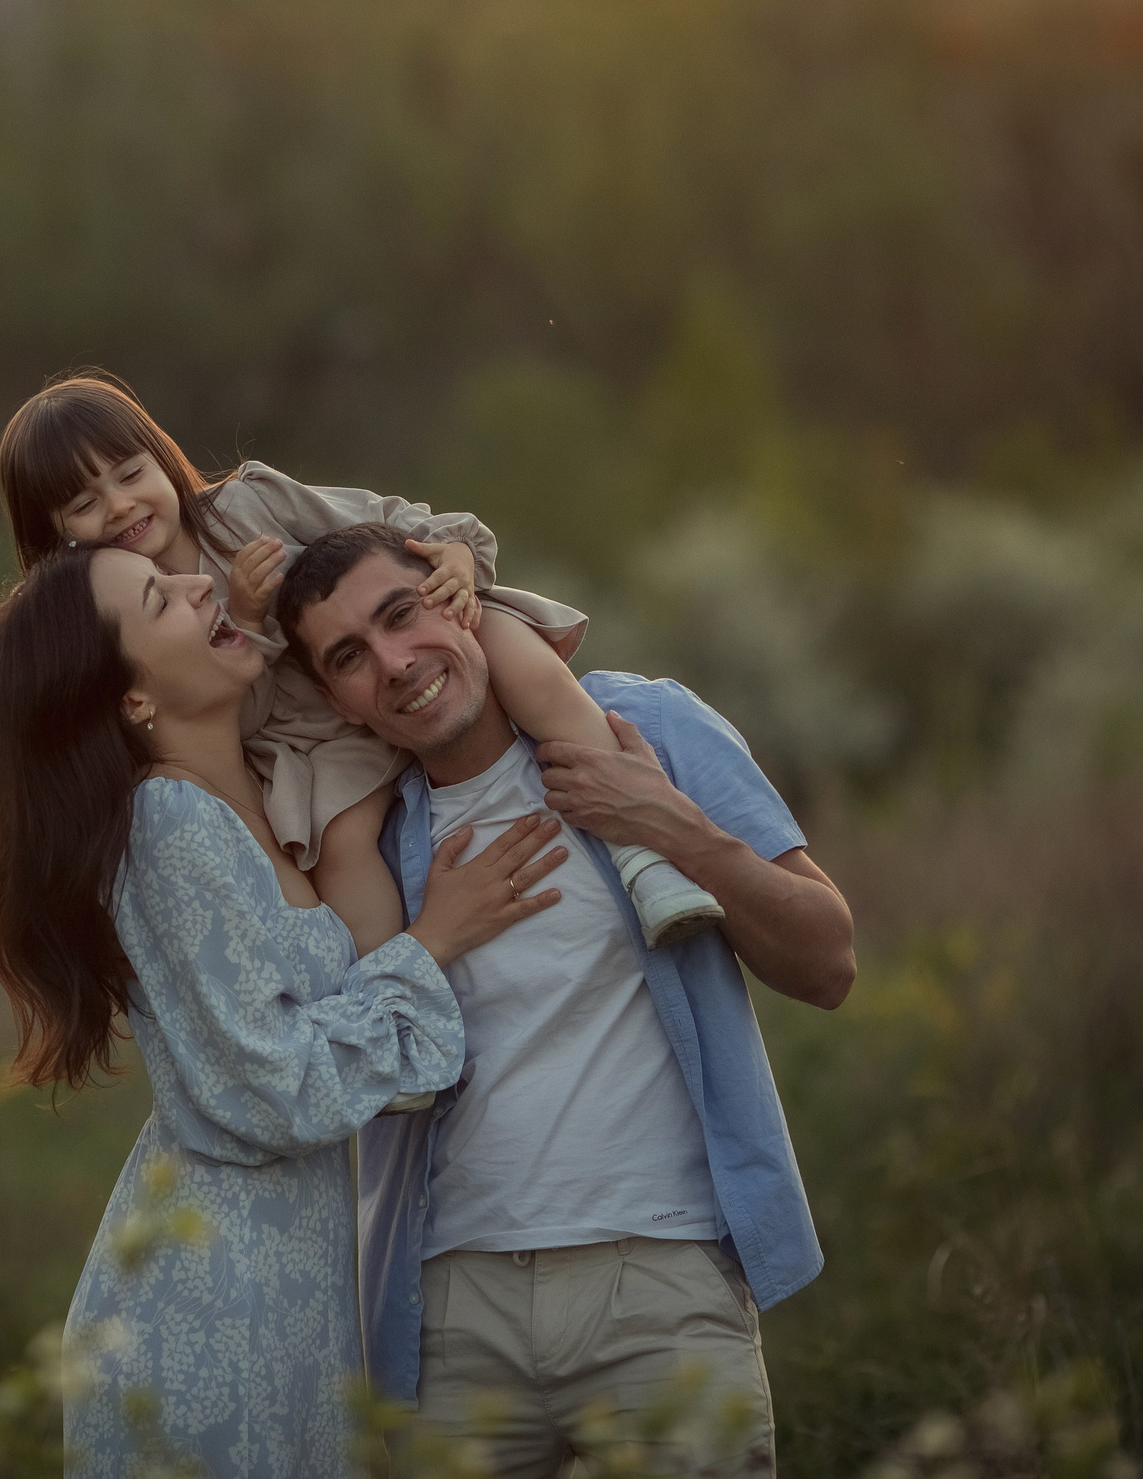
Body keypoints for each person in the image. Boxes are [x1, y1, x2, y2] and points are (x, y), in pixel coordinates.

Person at [0, 545, 570, 1476]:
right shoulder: (169, 825)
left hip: (290, 1282)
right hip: (214, 1302)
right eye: (159, 598)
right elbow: (270, 1085)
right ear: (131, 697)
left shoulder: (258, 801)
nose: (200, 582)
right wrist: (434, 942)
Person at [275, 522, 858, 1478]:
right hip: (447, 1309)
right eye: (350, 656)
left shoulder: (648, 727)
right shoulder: (360, 841)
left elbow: (827, 961)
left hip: (661, 1278)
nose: (395, 661)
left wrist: (676, 830)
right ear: (335, 699)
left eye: (401, 614)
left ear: (456, 599)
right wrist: (433, 939)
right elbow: (328, 1064)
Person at [0, 370, 725, 956]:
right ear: (58, 541)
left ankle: (644, 859)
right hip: (307, 744)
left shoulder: (246, 506)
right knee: (343, 847)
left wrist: (453, 553)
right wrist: (245, 620)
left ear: (161, 455)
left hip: (393, 658)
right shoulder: (114, 638)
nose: (121, 506)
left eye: (128, 472)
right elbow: (225, 717)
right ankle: (399, 1004)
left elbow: (382, 527)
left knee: (510, 648)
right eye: (85, 505)